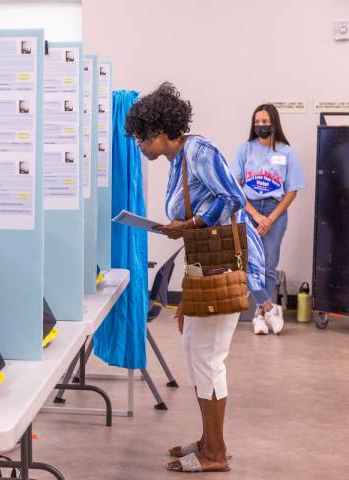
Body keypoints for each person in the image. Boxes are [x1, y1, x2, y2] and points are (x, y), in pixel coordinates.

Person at [124, 83, 265, 473]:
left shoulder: (199, 151)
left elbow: (234, 197)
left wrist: (190, 222)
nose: (139, 146)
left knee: (208, 356)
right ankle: (207, 440)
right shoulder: (178, 161)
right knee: (194, 351)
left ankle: (215, 453)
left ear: (158, 130)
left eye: (140, 138)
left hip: (229, 264)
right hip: (207, 264)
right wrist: (184, 226)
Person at [231, 104, 306, 335]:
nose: (261, 125)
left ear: (274, 123)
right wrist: (255, 216)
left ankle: (261, 315)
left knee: (268, 266)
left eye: (265, 121)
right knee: (248, 265)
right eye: (258, 122)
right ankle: (267, 309)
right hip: (250, 211)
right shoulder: (245, 150)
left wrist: (270, 219)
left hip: (276, 211)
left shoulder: (287, 152)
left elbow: (292, 190)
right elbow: (235, 187)